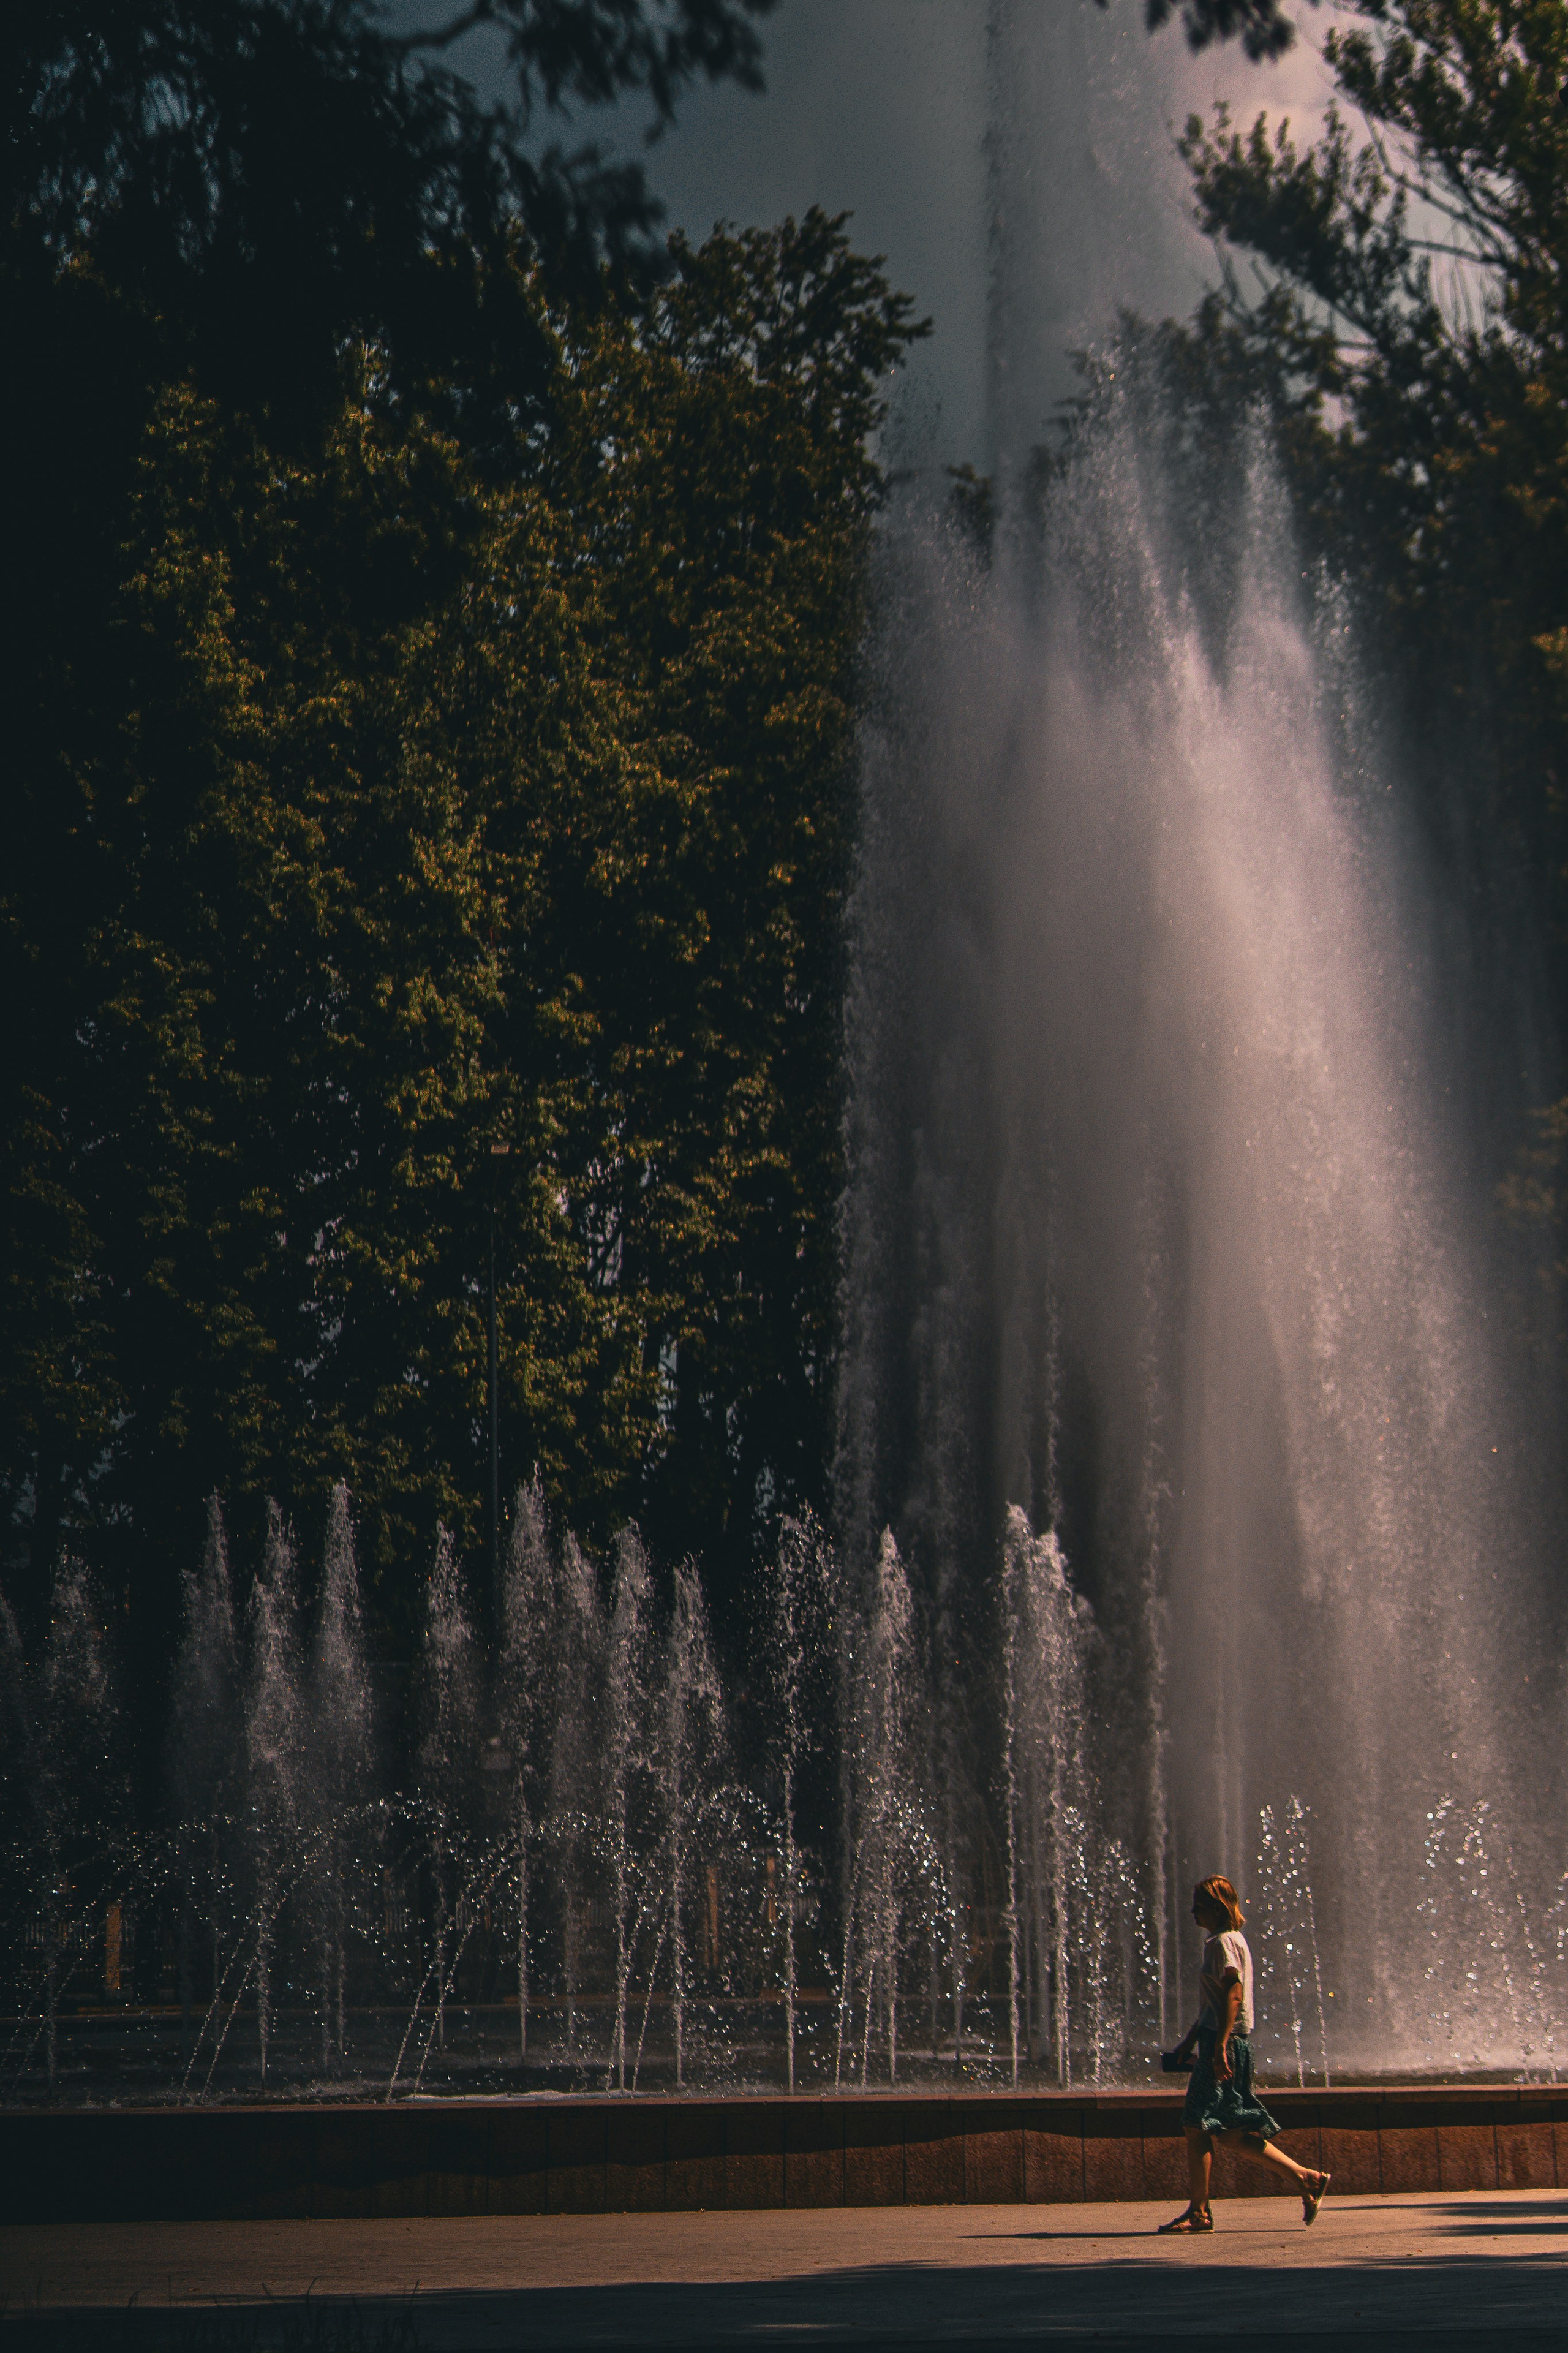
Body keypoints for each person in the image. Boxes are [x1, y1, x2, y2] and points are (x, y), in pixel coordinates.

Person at [1157, 1874, 1330, 2234]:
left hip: (1225, 2043)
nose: (1192, 1911)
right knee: (1231, 2133)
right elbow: (1215, 2002)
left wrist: (1218, 2047)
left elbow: (1233, 1995)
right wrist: (1190, 2042)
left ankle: (1200, 2213)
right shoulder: (1228, 1941)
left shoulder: (1222, 1943)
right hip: (1223, 2040)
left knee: (1196, 2126)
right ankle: (1306, 2178)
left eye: (1199, 1905)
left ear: (1218, 1907)